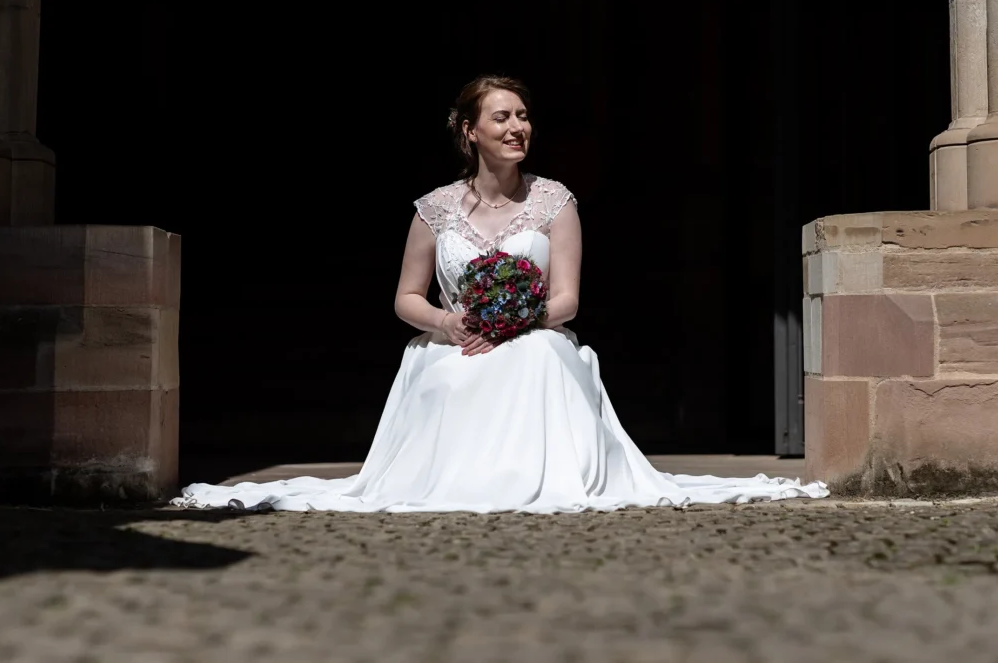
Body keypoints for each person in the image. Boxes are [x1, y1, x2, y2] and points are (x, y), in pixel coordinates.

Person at [171, 75, 829, 513]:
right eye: (502, 116)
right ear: (470, 131)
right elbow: (405, 295)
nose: (518, 126)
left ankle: (531, 476)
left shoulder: (554, 201)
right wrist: (447, 322)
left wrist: (517, 318)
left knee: (542, 357)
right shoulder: (432, 208)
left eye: (524, 115)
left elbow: (567, 298)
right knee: (444, 373)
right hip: (456, 336)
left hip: (536, 331)